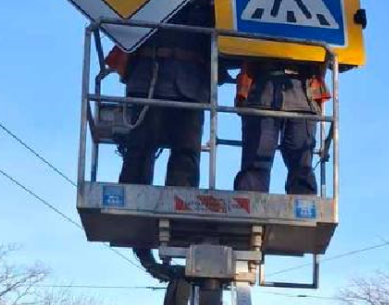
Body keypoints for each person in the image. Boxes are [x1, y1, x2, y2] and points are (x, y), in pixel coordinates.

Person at [110, 0, 214, 187]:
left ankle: (181, 206)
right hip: (150, 75)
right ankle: (132, 197)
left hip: (190, 83)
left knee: (186, 152)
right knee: (140, 146)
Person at [232, 59, 327, 194]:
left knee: (301, 167)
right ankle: (249, 209)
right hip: (263, 93)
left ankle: (303, 209)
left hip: (302, 96)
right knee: (256, 165)